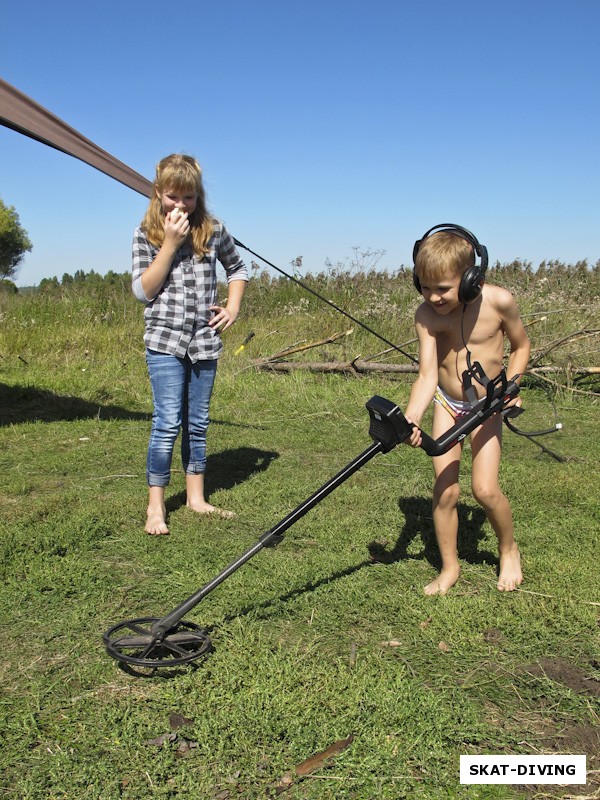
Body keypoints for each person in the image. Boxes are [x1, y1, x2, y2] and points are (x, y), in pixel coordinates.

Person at [403, 224, 530, 594]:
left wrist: (513, 384)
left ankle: (508, 549)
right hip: (447, 402)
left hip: (487, 405)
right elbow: (427, 376)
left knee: (485, 490)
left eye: (443, 288)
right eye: (425, 287)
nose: (433, 296)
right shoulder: (427, 316)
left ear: (472, 278)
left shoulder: (499, 302)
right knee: (445, 493)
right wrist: (411, 418)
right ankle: (449, 567)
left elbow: (520, 346)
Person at [132, 154, 248, 534]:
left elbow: (238, 268)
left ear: (199, 195)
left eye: (190, 197)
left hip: (203, 341)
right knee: (167, 423)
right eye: (173, 197)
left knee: (197, 423)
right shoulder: (144, 233)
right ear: (158, 193)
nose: (181, 205)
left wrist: (232, 306)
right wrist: (169, 243)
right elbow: (142, 291)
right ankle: (156, 507)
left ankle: (196, 498)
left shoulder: (213, 230)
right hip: (164, 341)